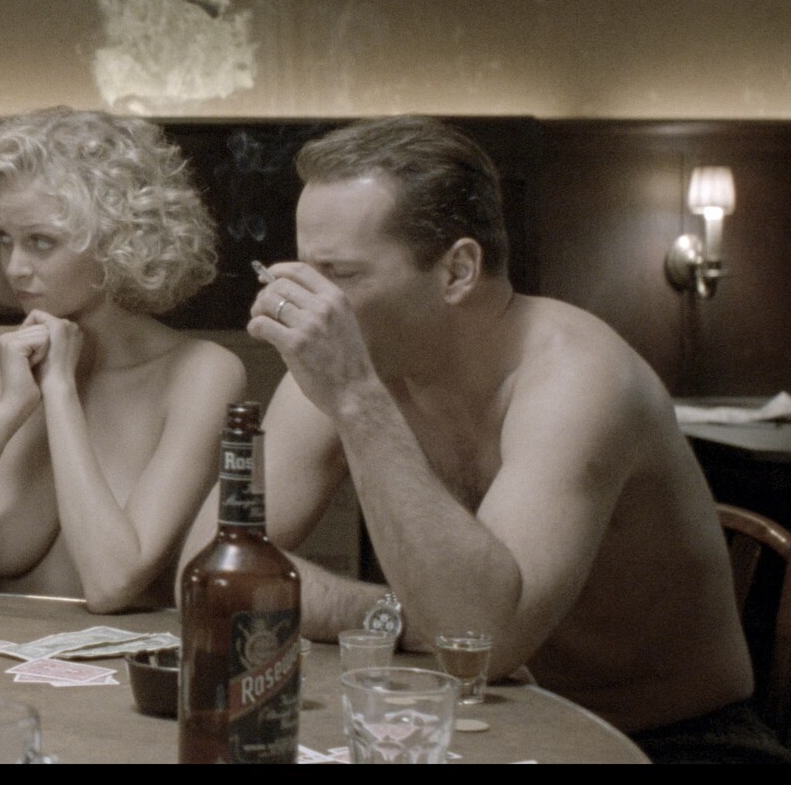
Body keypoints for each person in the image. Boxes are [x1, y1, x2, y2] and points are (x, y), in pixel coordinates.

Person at [204, 114, 782, 762]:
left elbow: (480, 645)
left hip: (670, 741)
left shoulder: (578, 376)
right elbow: (207, 569)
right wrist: (396, 614)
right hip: (485, 721)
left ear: (457, 270)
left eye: (339, 274)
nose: (310, 304)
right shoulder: (353, 362)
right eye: (301, 271)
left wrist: (359, 403)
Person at [0, 108, 242, 611]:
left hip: (135, 659)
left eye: (41, 243)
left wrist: (61, 391)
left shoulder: (201, 374)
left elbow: (111, 584)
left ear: (117, 240)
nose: (15, 268)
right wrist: (10, 411)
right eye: (5, 240)